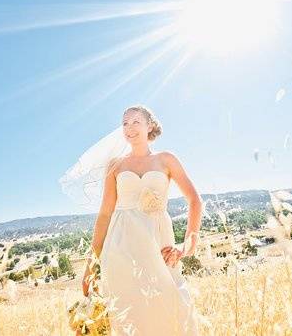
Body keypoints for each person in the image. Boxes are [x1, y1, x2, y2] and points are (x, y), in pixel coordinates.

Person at [80, 104, 202, 335]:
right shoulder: (115, 165)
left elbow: (195, 200)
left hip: (158, 243)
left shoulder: (166, 159)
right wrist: (91, 266)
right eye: (125, 123)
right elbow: (105, 214)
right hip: (120, 247)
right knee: (128, 313)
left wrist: (185, 247)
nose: (129, 127)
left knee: (173, 307)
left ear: (150, 126)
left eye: (136, 121)